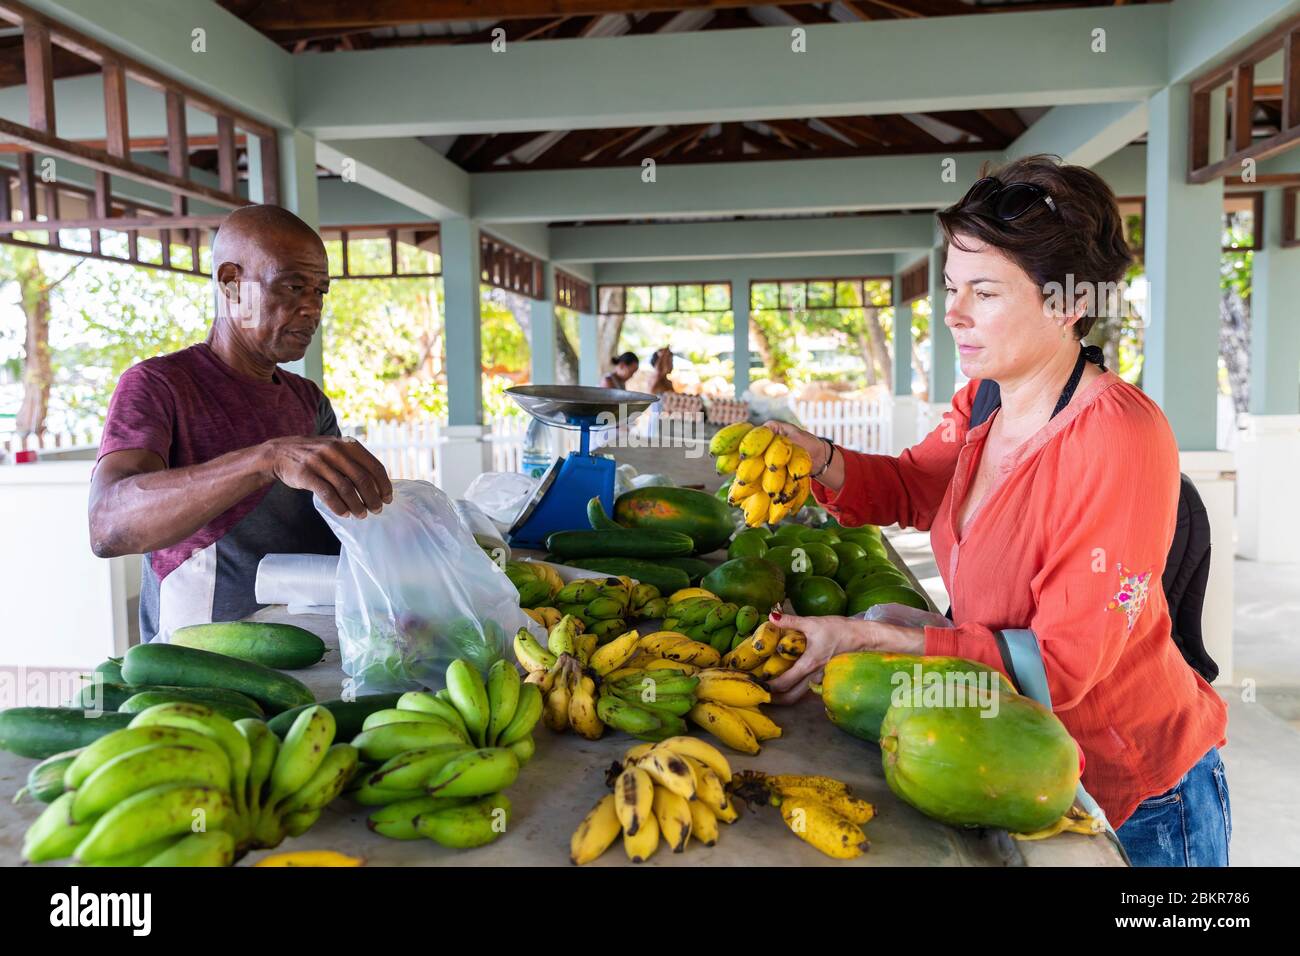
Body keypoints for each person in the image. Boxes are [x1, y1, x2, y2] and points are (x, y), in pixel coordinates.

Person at [762, 155, 1230, 867]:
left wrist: (870, 638)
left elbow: (1061, 665)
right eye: (953, 287)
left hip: (1134, 793)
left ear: (1066, 302)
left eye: (983, 291)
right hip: (1017, 750)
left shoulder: (1116, 439)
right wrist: (814, 456)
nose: (952, 313)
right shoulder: (986, 401)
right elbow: (913, 487)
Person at [89, 204, 393, 643]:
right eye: (292, 286)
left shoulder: (307, 400)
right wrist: (264, 460)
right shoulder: (159, 385)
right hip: (205, 659)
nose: (311, 308)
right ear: (232, 283)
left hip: (310, 645)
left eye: (320, 291)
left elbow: (338, 526)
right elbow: (107, 526)